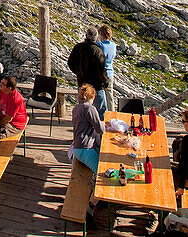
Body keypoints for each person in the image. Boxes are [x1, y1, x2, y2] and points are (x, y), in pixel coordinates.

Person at [71, 84, 104, 228]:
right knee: (102, 176)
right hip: (84, 149)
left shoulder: (76, 107)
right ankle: (90, 206)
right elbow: (100, 128)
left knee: (103, 161)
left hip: (78, 146)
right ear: (93, 96)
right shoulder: (90, 109)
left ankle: (94, 195)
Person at [68, 28, 108, 117]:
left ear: (86, 36)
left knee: (84, 108)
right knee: (100, 111)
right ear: (97, 37)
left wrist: (78, 72)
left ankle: (84, 126)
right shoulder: (98, 51)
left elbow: (70, 63)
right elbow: (102, 70)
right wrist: (105, 82)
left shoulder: (78, 47)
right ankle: (99, 128)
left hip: (82, 83)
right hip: (96, 86)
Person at [97, 25, 117, 112]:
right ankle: (112, 113)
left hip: (101, 72)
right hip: (110, 72)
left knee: (100, 94)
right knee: (109, 95)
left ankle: (101, 114)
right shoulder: (113, 45)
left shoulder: (101, 45)